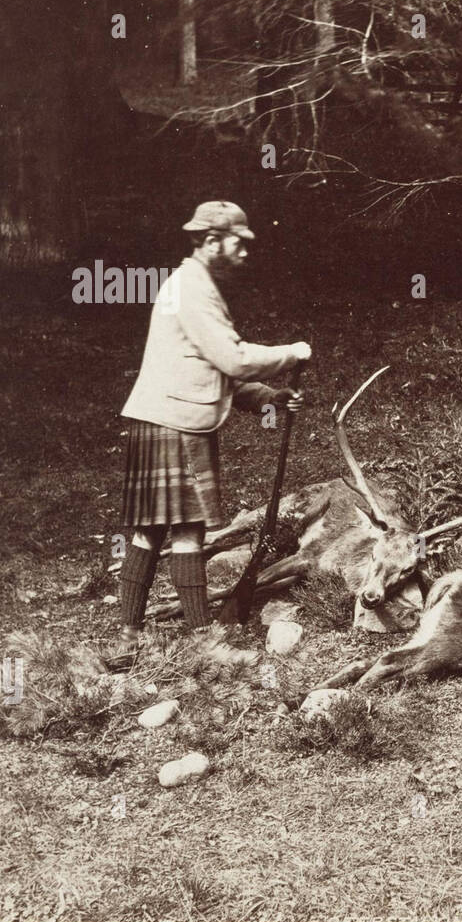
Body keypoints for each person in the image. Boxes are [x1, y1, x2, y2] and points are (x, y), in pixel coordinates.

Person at [112, 202, 310, 659]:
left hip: (161, 416)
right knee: (187, 533)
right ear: (211, 240)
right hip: (178, 423)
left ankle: (127, 639)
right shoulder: (193, 288)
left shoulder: (192, 284)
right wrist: (292, 353)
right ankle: (205, 643)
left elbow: (207, 364)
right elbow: (233, 357)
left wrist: (267, 396)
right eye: (237, 243)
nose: (244, 252)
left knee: (149, 532)